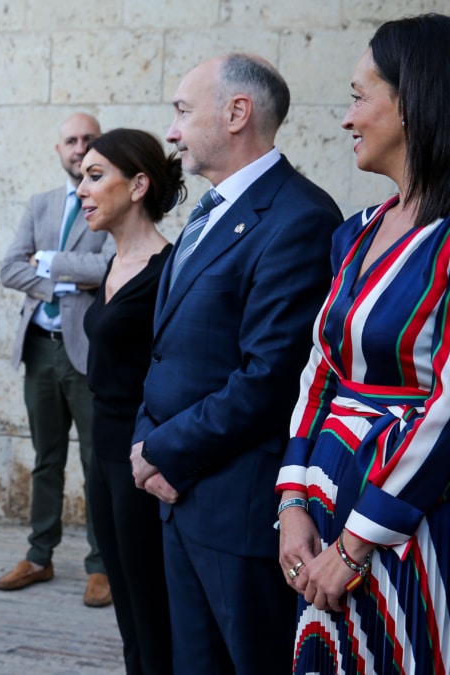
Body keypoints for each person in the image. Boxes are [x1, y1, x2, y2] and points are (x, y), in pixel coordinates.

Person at [129, 54, 342, 674]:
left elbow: (269, 379)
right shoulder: (210, 209)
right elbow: (168, 350)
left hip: (236, 515)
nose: (171, 131)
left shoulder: (299, 218)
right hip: (178, 496)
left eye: (181, 111)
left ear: (236, 113)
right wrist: (151, 448)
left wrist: (163, 450)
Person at [277, 14, 450, 673]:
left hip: (412, 522)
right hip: (327, 508)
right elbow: (318, 371)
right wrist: (293, 501)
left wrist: (357, 544)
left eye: (360, 96)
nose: (347, 118)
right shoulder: (354, 233)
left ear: (416, 100)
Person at [0, 113, 114, 606]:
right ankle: (39, 554)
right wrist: (61, 286)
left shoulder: (110, 202)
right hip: (39, 350)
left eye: (89, 141)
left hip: (85, 352)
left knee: (95, 461)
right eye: (72, 140)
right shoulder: (41, 204)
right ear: (59, 148)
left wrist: (46, 262)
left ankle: (101, 565)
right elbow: (8, 267)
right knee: (47, 458)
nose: (79, 147)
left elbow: (108, 267)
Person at [79, 129, 183, 674]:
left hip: (142, 450)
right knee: (125, 603)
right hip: (103, 444)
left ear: (138, 184)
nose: (82, 190)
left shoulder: (170, 269)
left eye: (96, 176)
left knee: (150, 604)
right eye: (81, 177)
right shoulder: (111, 263)